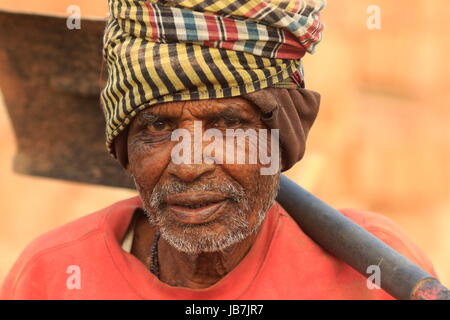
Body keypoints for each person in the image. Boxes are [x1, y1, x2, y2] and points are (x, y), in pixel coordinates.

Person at [1, 0, 438, 299]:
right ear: (125, 147)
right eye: (157, 128)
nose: (189, 165)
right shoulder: (52, 273)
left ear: (280, 138)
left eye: (229, 125)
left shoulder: (373, 273)